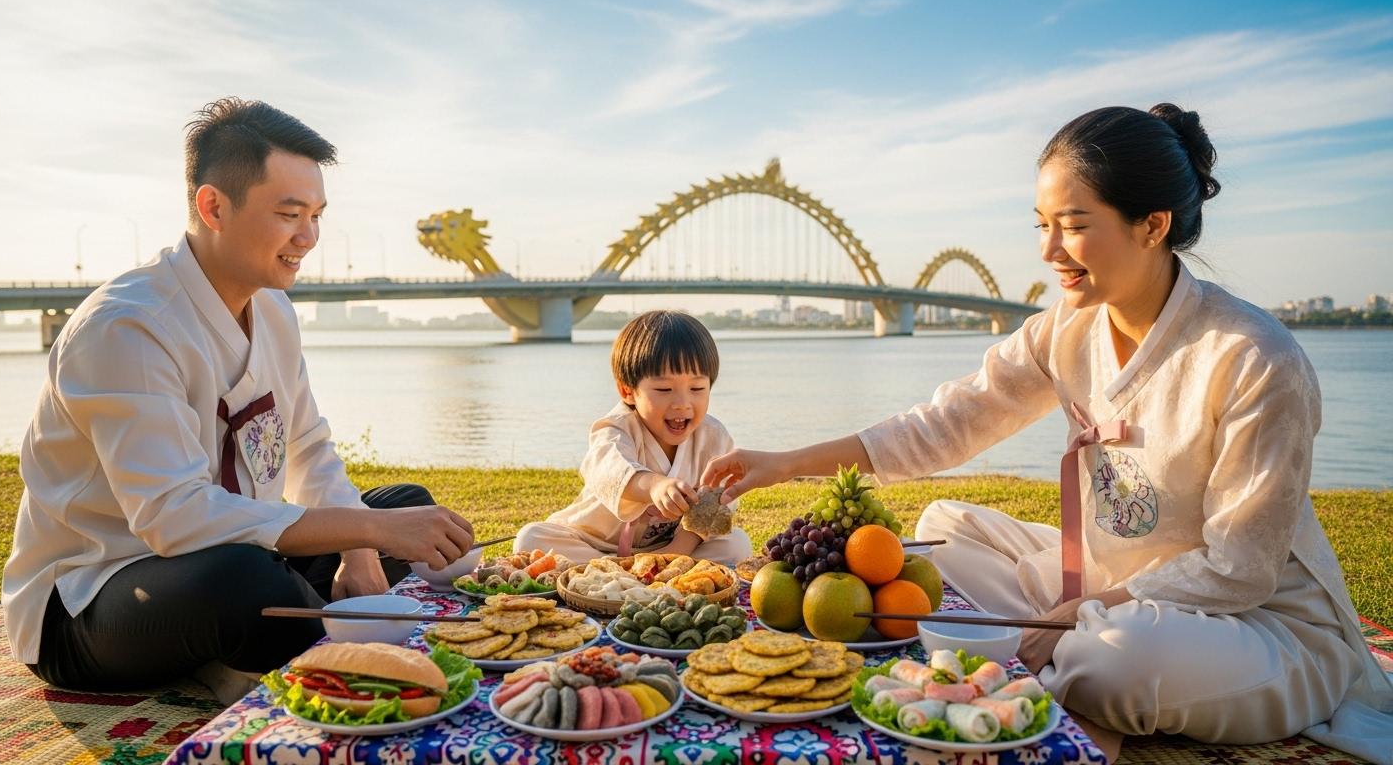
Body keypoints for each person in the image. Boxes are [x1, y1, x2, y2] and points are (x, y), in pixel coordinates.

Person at [700, 104, 1393, 764]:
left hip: (1256, 625)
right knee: (945, 528)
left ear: (1153, 225)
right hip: (1103, 587)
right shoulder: (1067, 326)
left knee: (1112, 661)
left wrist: (1086, 611)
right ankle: (1056, 647)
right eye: (1040, 225)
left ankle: (1060, 657)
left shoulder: (1253, 358)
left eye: (1072, 224)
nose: (1049, 251)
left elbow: (1238, 570)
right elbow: (945, 425)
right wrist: (787, 463)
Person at [2, 98, 476, 699]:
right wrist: (366, 530)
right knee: (247, 584)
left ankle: (282, 644)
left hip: (238, 550)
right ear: (213, 206)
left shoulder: (272, 309)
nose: (308, 237)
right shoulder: (127, 328)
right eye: (289, 213)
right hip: (93, 597)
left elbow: (307, 447)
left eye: (317, 215)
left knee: (404, 508)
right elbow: (176, 517)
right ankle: (329, 657)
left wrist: (362, 546)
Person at [515, 310, 752, 565]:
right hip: (595, 544)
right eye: (664, 389)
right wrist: (655, 485)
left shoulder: (713, 437)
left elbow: (715, 503)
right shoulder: (616, 429)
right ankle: (616, 567)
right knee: (531, 539)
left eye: (697, 389)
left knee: (737, 544)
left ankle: (641, 569)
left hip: (668, 549)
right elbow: (610, 471)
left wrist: (676, 551)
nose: (683, 404)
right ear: (627, 391)